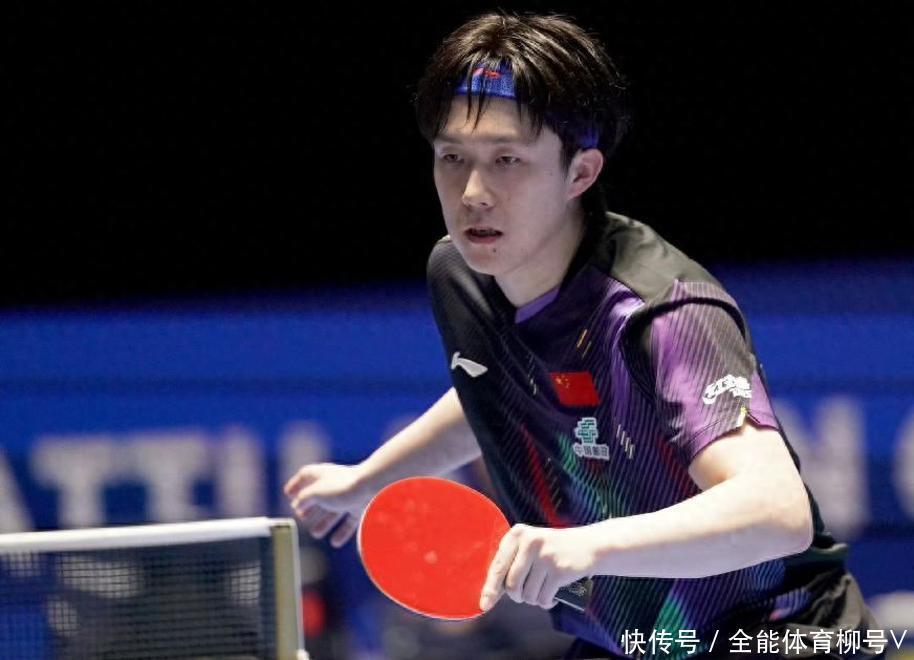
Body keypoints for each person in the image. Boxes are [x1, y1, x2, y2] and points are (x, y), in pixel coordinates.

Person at [285, 12, 883, 659]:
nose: (473, 192)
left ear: (581, 172)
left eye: (507, 160)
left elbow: (777, 512)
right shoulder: (462, 275)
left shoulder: (660, 313)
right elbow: (496, 391)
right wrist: (367, 480)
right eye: (452, 157)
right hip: (634, 640)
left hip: (772, 635)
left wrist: (587, 546)